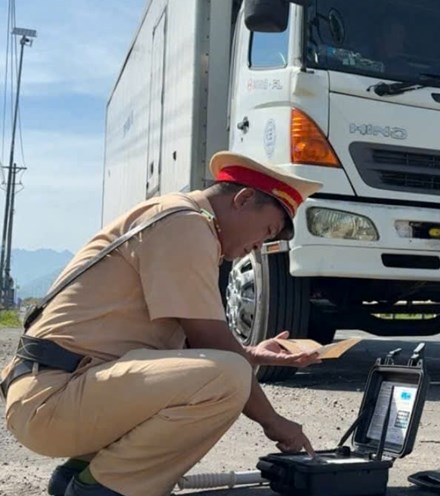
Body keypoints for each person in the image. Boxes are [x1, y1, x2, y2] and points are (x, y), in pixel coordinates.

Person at [0, 151, 324, 496]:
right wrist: (274, 423)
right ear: (244, 199)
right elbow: (210, 343)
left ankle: (81, 474)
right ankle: (107, 488)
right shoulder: (185, 224)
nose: (258, 246)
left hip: (56, 391)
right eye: (267, 230)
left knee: (222, 369)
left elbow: (186, 345)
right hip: (54, 400)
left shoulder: (179, 219)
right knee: (228, 377)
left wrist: (255, 354)